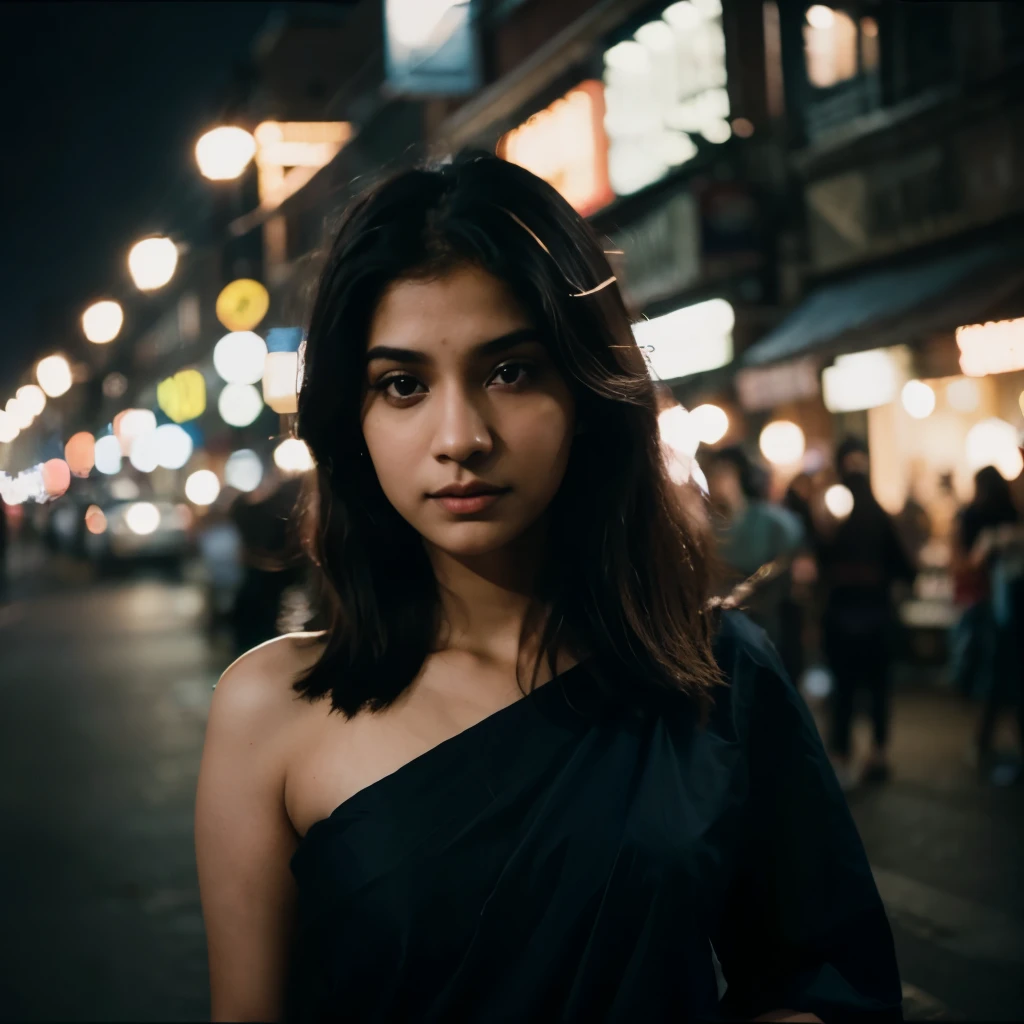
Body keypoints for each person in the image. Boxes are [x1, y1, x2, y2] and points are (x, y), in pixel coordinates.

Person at [195, 154, 902, 1024]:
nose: (461, 437)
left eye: (511, 371)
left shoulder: (710, 673)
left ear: (586, 390)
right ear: (355, 420)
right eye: (404, 385)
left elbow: (824, 977)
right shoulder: (271, 710)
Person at [817, 438, 916, 790]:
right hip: (871, 615)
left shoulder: (836, 513)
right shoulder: (869, 514)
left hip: (849, 617)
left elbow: (817, 564)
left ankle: (852, 756)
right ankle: (868, 754)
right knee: (870, 688)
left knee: (850, 690)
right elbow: (907, 568)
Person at [705, 446, 805, 675]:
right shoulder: (705, 524)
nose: (718, 480)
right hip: (719, 619)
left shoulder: (770, 520)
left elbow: (782, 562)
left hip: (761, 614)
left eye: (724, 473)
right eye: (714, 473)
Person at [955, 466, 1024, 780]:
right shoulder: (1010, 514)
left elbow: (966, 560)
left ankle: (983, 744)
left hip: (991, 605)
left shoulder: (973, 516)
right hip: (1006, 607)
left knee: (993, 675)